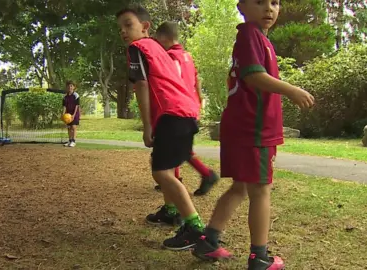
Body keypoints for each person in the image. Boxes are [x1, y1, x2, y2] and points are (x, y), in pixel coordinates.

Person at [191, 0, 315, 269]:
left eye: (275, 2)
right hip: (253, 130)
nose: (269, 9)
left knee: (240, 187)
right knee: (261, 190)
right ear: (242, 6)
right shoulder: (249, 35)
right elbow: (253, 76)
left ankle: (209, 240)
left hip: (244, 128)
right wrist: (291, 90)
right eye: (260, 2)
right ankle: (259, 257)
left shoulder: (259, 39)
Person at [116, 5, 207, 250]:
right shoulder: (157, 48)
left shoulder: (136, 48)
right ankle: (170, 212)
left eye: (128, 25)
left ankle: (195, 228)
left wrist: (147, 126)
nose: (123, 32)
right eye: (120, 28)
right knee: (165, 165)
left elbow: (142, 86)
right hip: (187, 112)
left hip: (171, 114)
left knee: (162, 173)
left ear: (145, 27)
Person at [154, 21, 220, 196]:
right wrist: (198, 104)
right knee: (181, 147)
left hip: (176, 107)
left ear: (162, 38)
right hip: (190, 107)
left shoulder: (169, 58)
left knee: (175, 147)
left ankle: (189, 177)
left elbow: (171, 84)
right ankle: (178, 178)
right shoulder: (188, 57)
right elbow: (196, 83)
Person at [62, 80, 80, 147]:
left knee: (73, 127)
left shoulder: (76, 95)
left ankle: (73, 141)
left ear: (74, 87)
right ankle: (69, 141)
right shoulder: (64, 97)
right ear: (67, 87)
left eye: (71, 86)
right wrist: (63, 115)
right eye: (69, 86)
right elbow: (64, 106)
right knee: (69, 127)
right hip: (67, 114)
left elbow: (77, 106)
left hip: (75, 113)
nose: (70, 87)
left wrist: (73, 115)